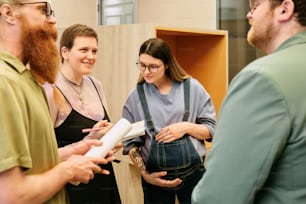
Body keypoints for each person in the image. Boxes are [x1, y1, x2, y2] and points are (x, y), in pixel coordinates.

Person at [0, 1, 116, 203]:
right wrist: (68, 171)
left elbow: (38, 162)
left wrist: (79, 147)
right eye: (42, 10)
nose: (52, 19)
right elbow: (10, 195)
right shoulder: (4, 83)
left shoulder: (27, 80)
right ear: (9, 13)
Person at [192, 0, 306, 203]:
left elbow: (217, 196)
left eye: (255, 6)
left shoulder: (262, 79)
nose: (248, 15)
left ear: (284, 9)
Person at [122, 37, 216, 204]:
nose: (146, 72)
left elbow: (211, 130)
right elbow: (130, 143)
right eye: (142, 65)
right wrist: (145, 175)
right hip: (154, 181)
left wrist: (186, 127)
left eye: (153, 66)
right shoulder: (136, 97)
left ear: (166, 64)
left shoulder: (192, 88)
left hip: (194, 177)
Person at [44, 24, 122, 204]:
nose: (91, 56)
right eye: (84, 50)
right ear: (65, 52)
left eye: (94, 51)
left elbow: (102, 132)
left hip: (103, 178)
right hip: (72, 186)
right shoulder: (51, 90)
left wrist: (110, 136)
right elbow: (44, 153)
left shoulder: (96, 85)